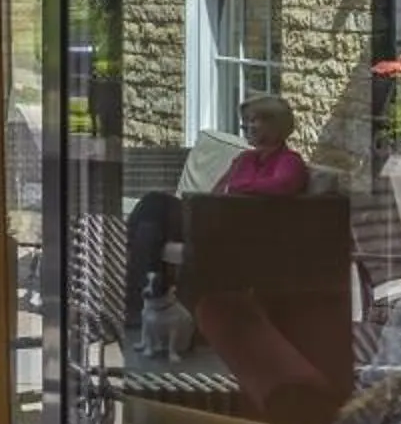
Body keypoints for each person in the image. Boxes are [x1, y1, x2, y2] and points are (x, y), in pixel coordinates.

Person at [123, 92, 312, 339]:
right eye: (247, 121)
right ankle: (137, 308)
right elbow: (216, 193)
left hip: (239, 230)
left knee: (154, 205)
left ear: (275, 124)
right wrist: (221, 196)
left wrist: (238, 187)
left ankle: (138, 307)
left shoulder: (290, 161)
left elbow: (281, 186)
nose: (248, 126)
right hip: (212, 218)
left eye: (256, 120)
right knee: (150, 224)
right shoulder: (246, 158)